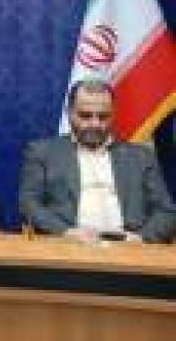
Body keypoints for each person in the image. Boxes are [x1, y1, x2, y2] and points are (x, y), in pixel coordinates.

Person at [20, 79, 176, 243]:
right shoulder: (43, 153)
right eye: (85, 116)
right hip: (68, 245)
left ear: (113, 114)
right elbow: (29, 205)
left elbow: (166, 212)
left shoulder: (141, 157)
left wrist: (140, 238)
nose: (95, 124)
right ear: (69, 113)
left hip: (129, 247)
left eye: (103, 117)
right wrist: (66, 232)